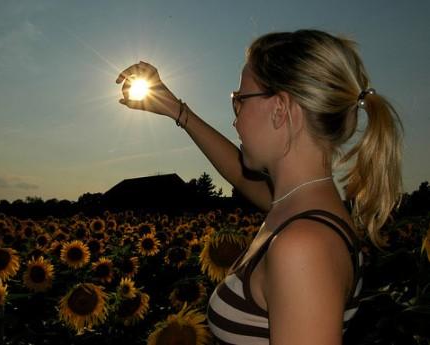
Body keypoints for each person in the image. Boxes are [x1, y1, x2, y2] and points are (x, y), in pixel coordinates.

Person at [116, 29, 403, 345]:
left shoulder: (304, 246)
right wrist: (174, 108)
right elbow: (239, 176)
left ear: (280, 109)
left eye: (240, 100)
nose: (236, 119)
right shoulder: (296, 207)